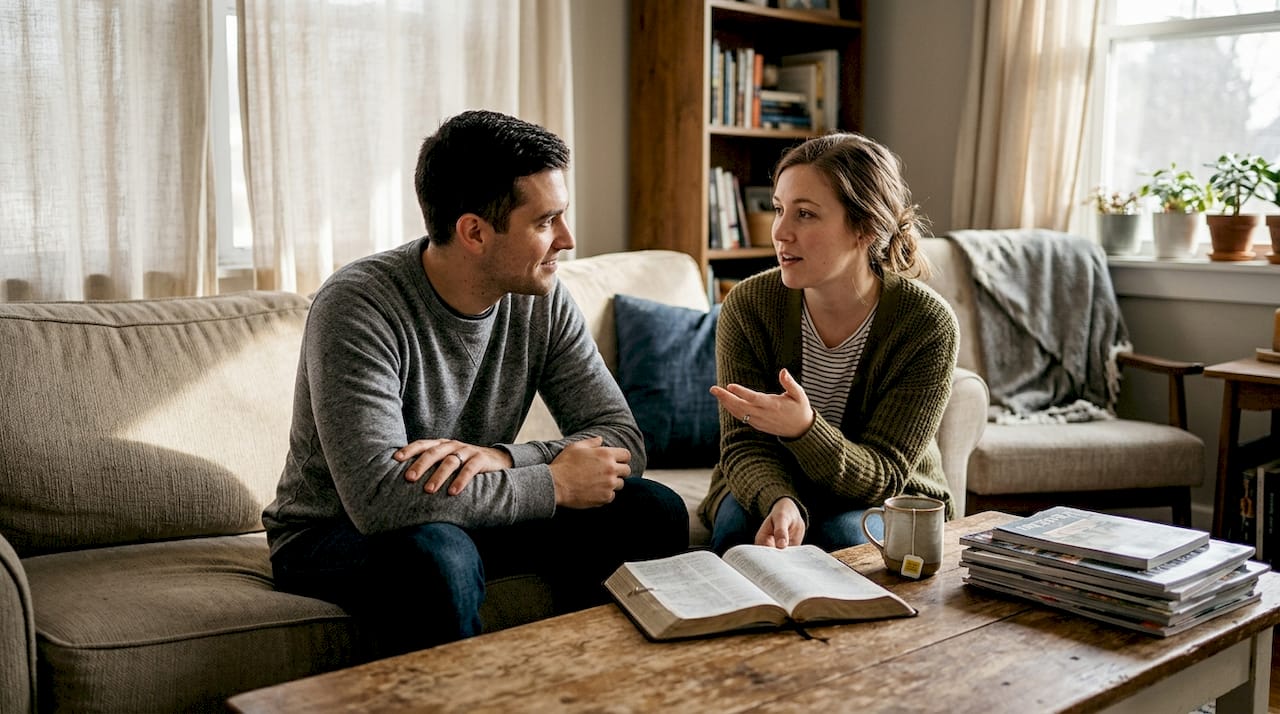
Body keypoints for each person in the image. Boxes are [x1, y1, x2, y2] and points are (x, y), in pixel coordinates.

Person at [262, 110, 689, 655]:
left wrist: (506, 458)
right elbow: (379, 498)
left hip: (472, 505)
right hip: (335, 531)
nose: (568, 239)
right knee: (438, 555)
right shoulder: (358, 305)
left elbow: (622, 441)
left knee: (651, 510)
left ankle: (596, 688)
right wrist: (553, 483)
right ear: (474, 232)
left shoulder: (543, 299)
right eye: (545, 221)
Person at [699, 132, 958, 556]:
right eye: (779, 209)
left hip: (883, 496)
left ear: (865, 227)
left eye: (805, 214)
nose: (780, 232)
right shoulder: (748, 305)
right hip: (773, 478)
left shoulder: (926, 325)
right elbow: (743, 445)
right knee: (739, 536)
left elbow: (884, 475)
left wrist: (803, 429)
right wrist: (778, 499)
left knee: (842, 543)